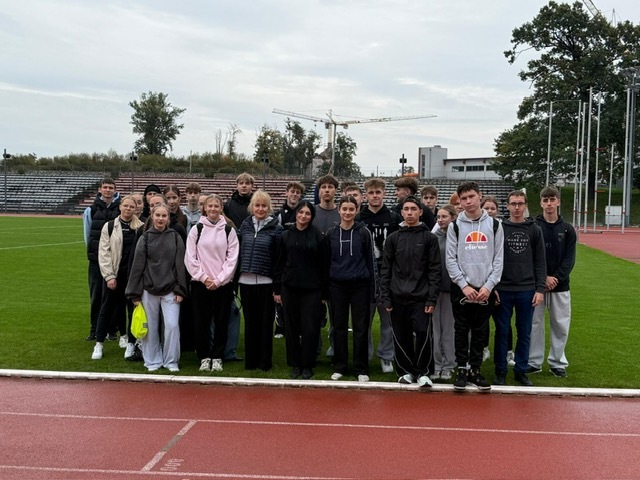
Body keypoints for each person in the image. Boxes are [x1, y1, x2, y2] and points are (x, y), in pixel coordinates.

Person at [446, 181, 503, 392]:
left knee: (480, 330)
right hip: (462, 288)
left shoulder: (495, 225)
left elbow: (499, 259)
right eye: (464, 198)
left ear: (480, 196)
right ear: (459, 202)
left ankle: (475, 370)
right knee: (461, 329)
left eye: (471, 196)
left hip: (485, 288)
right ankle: (461, 369)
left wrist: (488, 286)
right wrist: (463, 285)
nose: (468, 201)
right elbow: (450, 259)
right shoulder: (454, 226)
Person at [380, 195, 441, 387]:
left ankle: (423, 372)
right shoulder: (393, 238)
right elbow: (386, 269)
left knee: (423, 333)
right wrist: (386, 296)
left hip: (421, 297)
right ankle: (405, 371)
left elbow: (434, 270)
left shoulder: (429, 238)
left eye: (413, 209)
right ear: (401, 212)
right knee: (401, 335)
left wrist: (431, 299)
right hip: (397, 297)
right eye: (406, 209)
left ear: (420, 212)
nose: (409, 213)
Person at [126, 204, 188, 372]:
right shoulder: (145, 238)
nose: (161, 219)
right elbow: (137, 267)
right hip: (148, 289)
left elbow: (180, 265)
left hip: (171, 289)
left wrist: (180, 289)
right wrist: (134, 294)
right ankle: (152, 360)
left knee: (172, 325)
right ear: (152, 216)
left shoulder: (175, 237)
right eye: (158, 215)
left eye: (164, 216)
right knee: (151, 328)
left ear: (168, 218)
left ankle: (171, 360)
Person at [493, 190, 546, 387]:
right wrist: (493, 286)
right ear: (507, 206)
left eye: (520, 204)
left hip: (527, 289)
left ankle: (521, 370)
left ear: (525, 206)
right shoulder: (499, 228)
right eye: (513, 204)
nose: (517, 207)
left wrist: (540, 289)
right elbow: (492, 259)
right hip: (503, 289)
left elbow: (540, 262)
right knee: (502, 331)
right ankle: (500, 370)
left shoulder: (534, 230)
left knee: (524, 332)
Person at [185, 194, 239, 373]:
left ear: (221, 208)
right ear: (205, 208)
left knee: (222, 322)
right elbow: (190, 257)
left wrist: (219, 280)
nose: (213, 209)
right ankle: (204, 356)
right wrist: (203, 278)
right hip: (200, 284)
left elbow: (232, 259)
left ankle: (217, 357)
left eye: (216, 206)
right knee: (201, 322)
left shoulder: (229, 230)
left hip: (222, 285)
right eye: (210, 206)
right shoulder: (197, 229)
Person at [274, 201, 328, 379]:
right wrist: (277, 290)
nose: (303, 216)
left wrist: (324, 293)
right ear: (296, 213)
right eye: (301, 212)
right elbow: (279, 263)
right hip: (289, 288)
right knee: (291, 328)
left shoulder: (318, 237)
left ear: (311, 216)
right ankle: (295, 364)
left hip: (312, 290)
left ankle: (308, 364)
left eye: (307, 213)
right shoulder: (285, 236)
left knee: (310, 328)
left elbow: (324, 266)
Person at [528, 186, 576, 378]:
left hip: (560, 286)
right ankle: (534, 362)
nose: (549, 204)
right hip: (536, 286)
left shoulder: (568, 229)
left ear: (558, 201)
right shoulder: (533, 226)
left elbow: (569, 259)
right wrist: (542, 279)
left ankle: (557, 362)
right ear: (541, 203)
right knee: (534, 324)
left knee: (560, 325)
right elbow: (530, 256)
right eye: (545, 200)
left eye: (552, 199)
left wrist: (555, 278)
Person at [326, 195, 375, 382]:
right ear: (339, 210)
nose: (347, 212)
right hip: (337, 286)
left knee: (360, 327)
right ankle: (340, 365)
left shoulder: (364, 233)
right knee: (338, 326)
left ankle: (361, 368)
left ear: (356, 211)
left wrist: (373, 288)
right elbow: (326, 262)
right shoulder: (331, 233)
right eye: (344, 209)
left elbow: (370, 261)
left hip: (360, 286)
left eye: (351, 209)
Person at [91, 195, 144, 360]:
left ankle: (131, 344)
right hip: (114, 276)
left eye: (132, 206)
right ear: (120, 207)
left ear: (136, 209)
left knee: (132, 311)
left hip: (132, 278)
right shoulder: (109, 226)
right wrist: (109, 276)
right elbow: (103, 253)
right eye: (126, 205)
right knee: (106, 309)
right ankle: (99, 344)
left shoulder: (141, 227)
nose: (128, 209)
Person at [357, 178, 401, 374]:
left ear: (384, 194)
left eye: (378, 192)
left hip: (387, 277)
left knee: (388, 321)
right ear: (365, 195)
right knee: (363, 321)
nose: (375, 196)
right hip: (365, 277)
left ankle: (386, 356)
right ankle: (364, 356)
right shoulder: (359, 218)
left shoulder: (393, 218)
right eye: (371, 192)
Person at [237, 190, 283, 371]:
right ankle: (251, 361)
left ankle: (265, 362)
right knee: (250, 322)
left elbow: (279, 260)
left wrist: (277, 286)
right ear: (252, 207)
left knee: (265, 323)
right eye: (257, 205)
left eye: (264, 206)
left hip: (266, 283)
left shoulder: (277, 229)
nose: (260, 209)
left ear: (269, 207)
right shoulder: (245, 226)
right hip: (246, 282)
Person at [83, 177, 121, 341]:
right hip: (96, 260)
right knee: (96, 295)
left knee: (113, 295)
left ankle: (112, 330)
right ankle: (95, 329)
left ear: (115, 190)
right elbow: (87, 234)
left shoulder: (120, 209)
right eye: (105, 187)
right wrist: (93, 252)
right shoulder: (91, 210)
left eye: (111, 187)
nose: (108, 190)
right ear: (100, 189)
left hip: (115, 260)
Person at [223, 173, 255, 362]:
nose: (244, 186)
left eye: (247, 183)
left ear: (252, 186)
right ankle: (226, 345)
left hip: (250, 256)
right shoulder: (228, 205)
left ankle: (249, 342)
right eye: (241, 183)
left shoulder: (255, 204)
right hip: (231, 257)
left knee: (249, 305)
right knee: (229, 302)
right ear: (236, 185)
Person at [480, 195, 511, 365]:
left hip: (501, 283)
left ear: (497, 211)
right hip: (483, 283)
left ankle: (508, 351)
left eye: (493, 208)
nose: (490, 211)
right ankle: (484, 348)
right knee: (482, 321)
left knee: (503, 321)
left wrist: (496, 286)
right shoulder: (478, 228)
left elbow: (501, 258)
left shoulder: (500, 227)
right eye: (486, 208)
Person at [274, 181, 306, 338]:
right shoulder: (279, 214)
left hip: (300, 259)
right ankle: (280, 326)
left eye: (297, 192)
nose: (294, 194)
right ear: (286, 193)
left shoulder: (303, 213)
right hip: (284, 257)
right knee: (281, 294)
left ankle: (298, 327)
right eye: (292, 191)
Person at [431, 204, 457, 381]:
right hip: (434, 290)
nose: (440, 220)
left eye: (444, 217)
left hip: (452, 289)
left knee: (449, 330)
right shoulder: (432, 238)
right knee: (435, 330)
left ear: (453, 218)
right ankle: (436, 364)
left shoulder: (459, 237)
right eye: (438, 217)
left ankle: (448, 365)